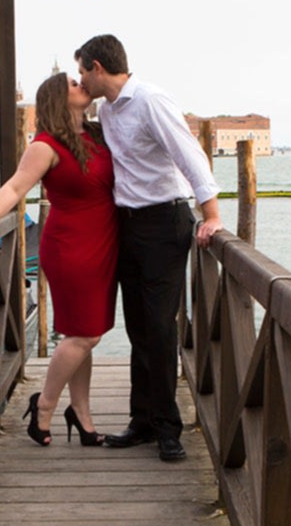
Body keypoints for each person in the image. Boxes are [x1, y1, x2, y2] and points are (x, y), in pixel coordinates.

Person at [75, 34, 223, 463]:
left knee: (160, 328)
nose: (82, 79)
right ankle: (141, 420)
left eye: (84, 70)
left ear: (99, 68)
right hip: (127, 224)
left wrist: (211, 215)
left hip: (165, 221)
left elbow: (190, 156)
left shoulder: (152, 100)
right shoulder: (107, 109)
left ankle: (167, 428)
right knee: (138, 327)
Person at [0, 72, 115, 447]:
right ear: (59, 97)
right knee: (84, 334)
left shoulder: (96, 135)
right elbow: (14, 187)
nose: (82, 85)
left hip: (103, 244)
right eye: (74, 83)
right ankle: (44, 406)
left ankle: (83, 416)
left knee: (82, 335)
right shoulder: (45, 145)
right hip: (70, 247)